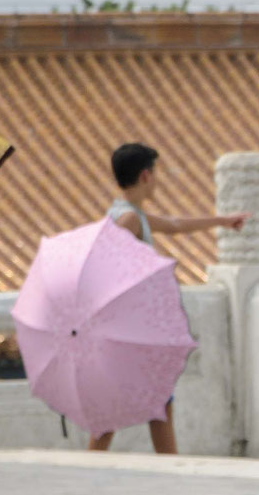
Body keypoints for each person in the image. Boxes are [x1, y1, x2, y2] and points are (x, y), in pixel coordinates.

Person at [99, 142, 248, 454]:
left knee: (148, 401)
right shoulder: (129, 221)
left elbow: (176, 225)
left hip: (131, 328)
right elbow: (107, 274)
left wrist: (223, 220)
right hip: (132, 329)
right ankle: (168, 465)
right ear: (145, 176)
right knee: (146, 401)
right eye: (156, 173)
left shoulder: (129, 215)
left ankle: (165, 465)